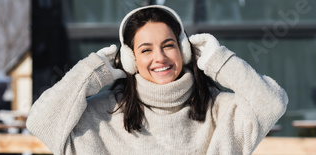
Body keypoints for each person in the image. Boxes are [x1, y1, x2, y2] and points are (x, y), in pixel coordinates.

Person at [26, 5, 288, 155]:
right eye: (146, 50)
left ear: (185, 51)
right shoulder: (103, 114)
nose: (160, 58)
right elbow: (41, 120)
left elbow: (272, 103)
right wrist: (92, 72)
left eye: (168, 45)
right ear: (130, 60)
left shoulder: (221, 110)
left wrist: (219, 60)